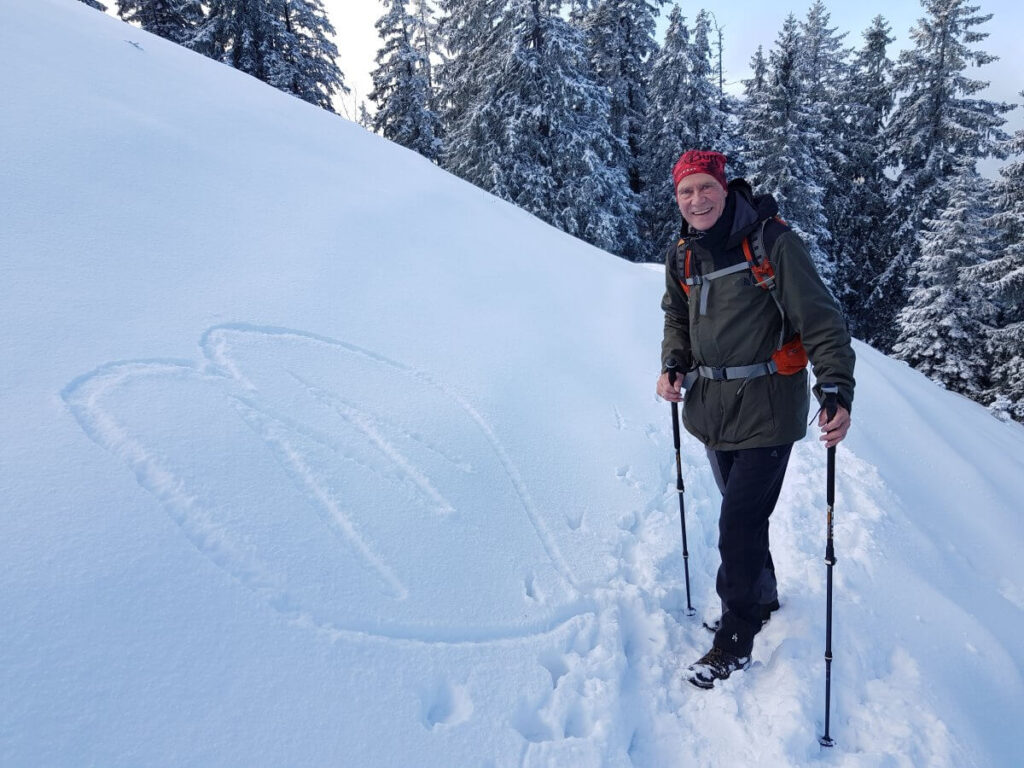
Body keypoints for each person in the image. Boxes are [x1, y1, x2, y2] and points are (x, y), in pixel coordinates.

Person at [655, 149, 855, 690]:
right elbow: (676, 315)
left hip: (768, 409)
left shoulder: (772, 242)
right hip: (711, 409)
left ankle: (736, 635)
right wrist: (673, 362)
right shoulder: (683, 254)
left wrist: (835, 387)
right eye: (685, 192)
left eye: (705, 188)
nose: (696, 200)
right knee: (741, 515)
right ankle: (761, 594)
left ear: (726, 189)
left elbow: (821, 318)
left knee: (737, 522)